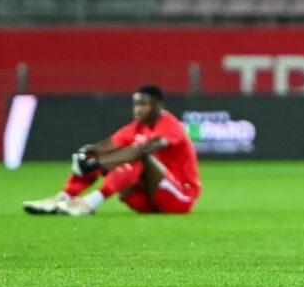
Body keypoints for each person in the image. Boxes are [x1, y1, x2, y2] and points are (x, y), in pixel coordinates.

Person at [22, 84, 201, 216]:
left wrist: (99, 162)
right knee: (105, 156)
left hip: (180, 197)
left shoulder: (169, 125)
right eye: (136, 104)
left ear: (158, 105)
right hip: (147, 201)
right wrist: (86, 155)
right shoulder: (137, 127)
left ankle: (89, 203)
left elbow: (144, 150)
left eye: (144, 104)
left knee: (138, 155)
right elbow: (104, 147)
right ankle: (63, 197)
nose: (138, 109)